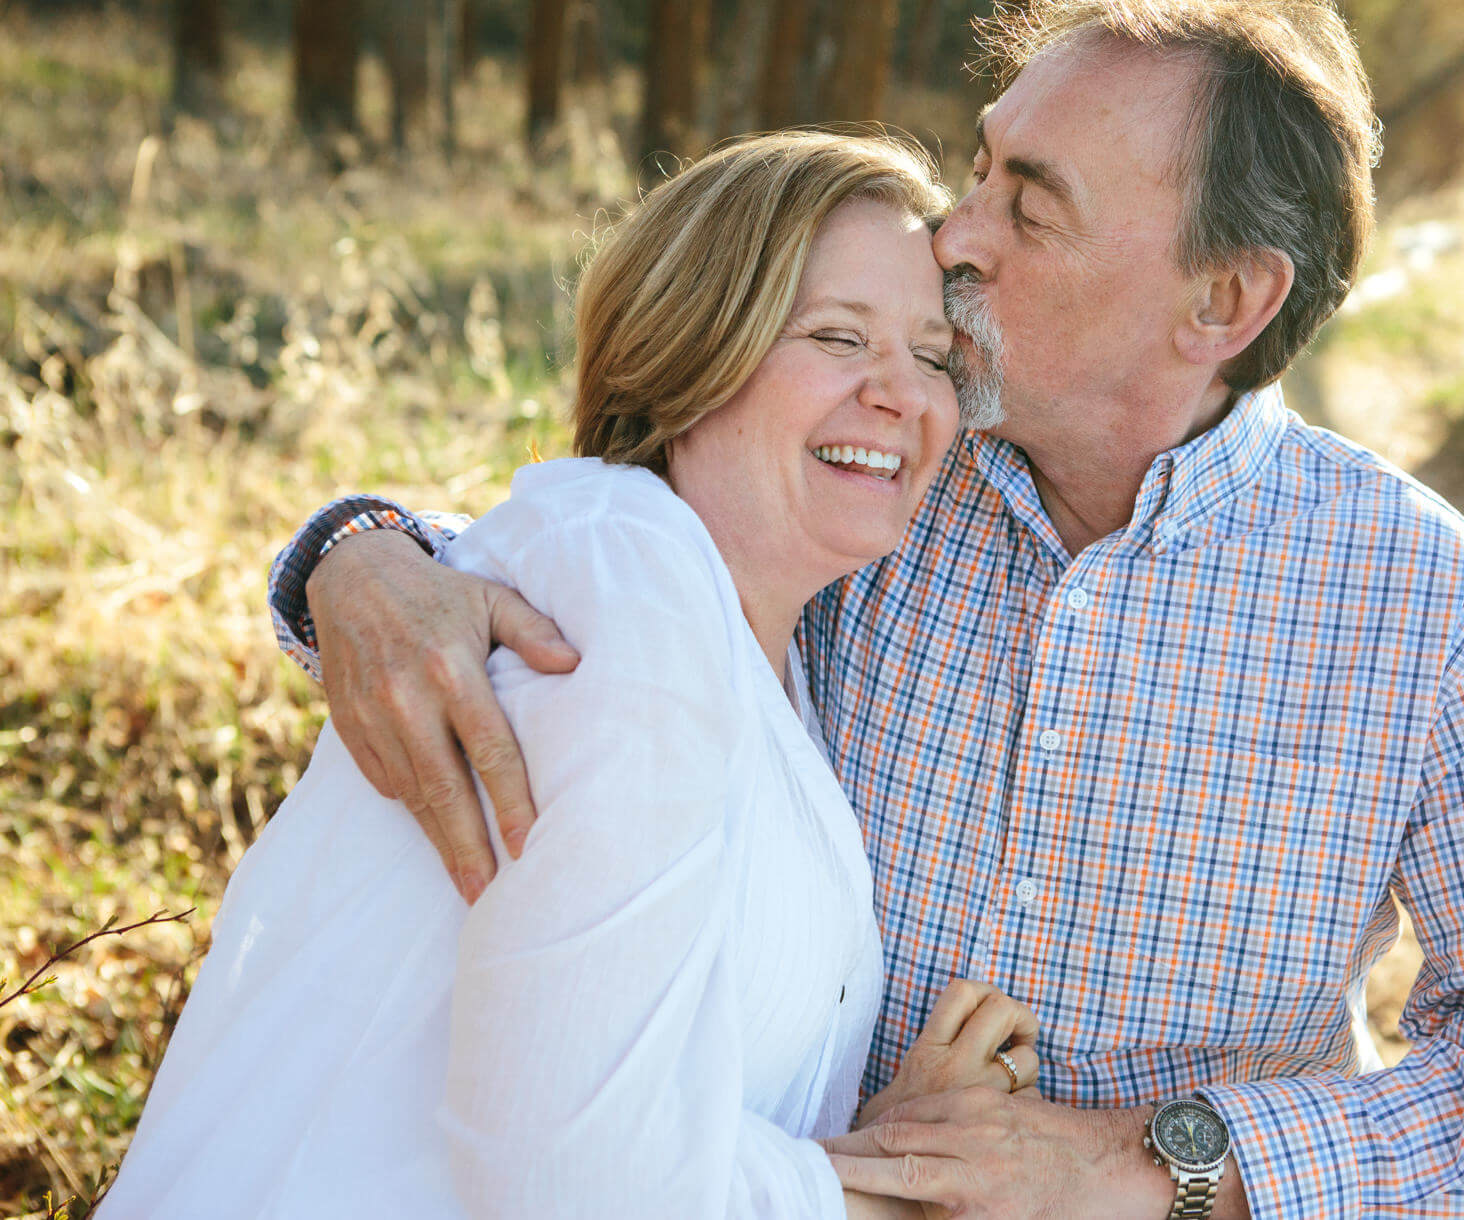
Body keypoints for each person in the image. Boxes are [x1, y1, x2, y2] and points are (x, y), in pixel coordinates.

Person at [268, 2, 1464, 1217]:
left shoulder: (1421, 608)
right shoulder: (881, 471)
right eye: (979, 166)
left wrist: (1150, 1164)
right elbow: (594, 578)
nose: (953, 233)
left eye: (1031, 201)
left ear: (1221, 301)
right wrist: (360, 550)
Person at [102, 131, 1045, 1220]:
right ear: (693, 353)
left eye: (934, 358)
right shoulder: (624, 581)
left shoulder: (760, 646)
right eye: (839, 336)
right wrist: (893, 1187)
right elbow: (576, 1181)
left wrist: (863, 1150)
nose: (902, 396)